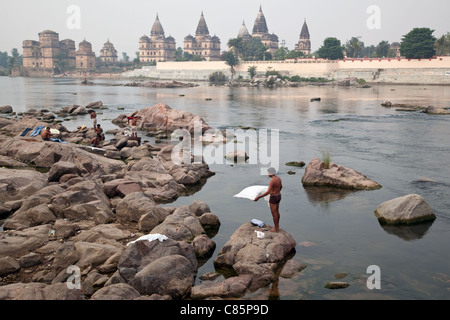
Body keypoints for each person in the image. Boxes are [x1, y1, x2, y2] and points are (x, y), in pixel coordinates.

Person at [254, 167, 282, 232]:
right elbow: (281, 186)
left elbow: (268, 192)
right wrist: (277, 191)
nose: (267, 174)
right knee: (277, 211)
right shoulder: (278, 178)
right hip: (279, 196)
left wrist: (258, 197)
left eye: (268, 173)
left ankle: (276, 228)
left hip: (273, 198)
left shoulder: (272, 181)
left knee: (274, 214)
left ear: (270, 173)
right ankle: (277, 226)